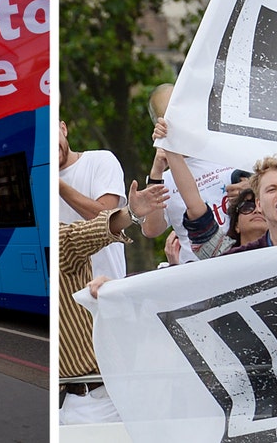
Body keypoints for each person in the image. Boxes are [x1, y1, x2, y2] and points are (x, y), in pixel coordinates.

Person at [60, 180, 169, 424]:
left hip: (96, 400)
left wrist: (130, 214)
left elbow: (92, 231)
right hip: (62, 401)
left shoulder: (62, 241)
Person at [143, 92, 248, 264]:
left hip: (240, 258)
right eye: (167, 117)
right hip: (196, 269)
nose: (176, 123)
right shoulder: (162, 178)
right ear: (157, 124)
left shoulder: (228, 152)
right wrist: (156, 173)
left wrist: (252, 189)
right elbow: (151, 230)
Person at [59, 120, 128, 279]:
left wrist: (60, 187)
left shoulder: (101, 160)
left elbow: (106, 219)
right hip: (67, 295)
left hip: (106, 288)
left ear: (63, 129)